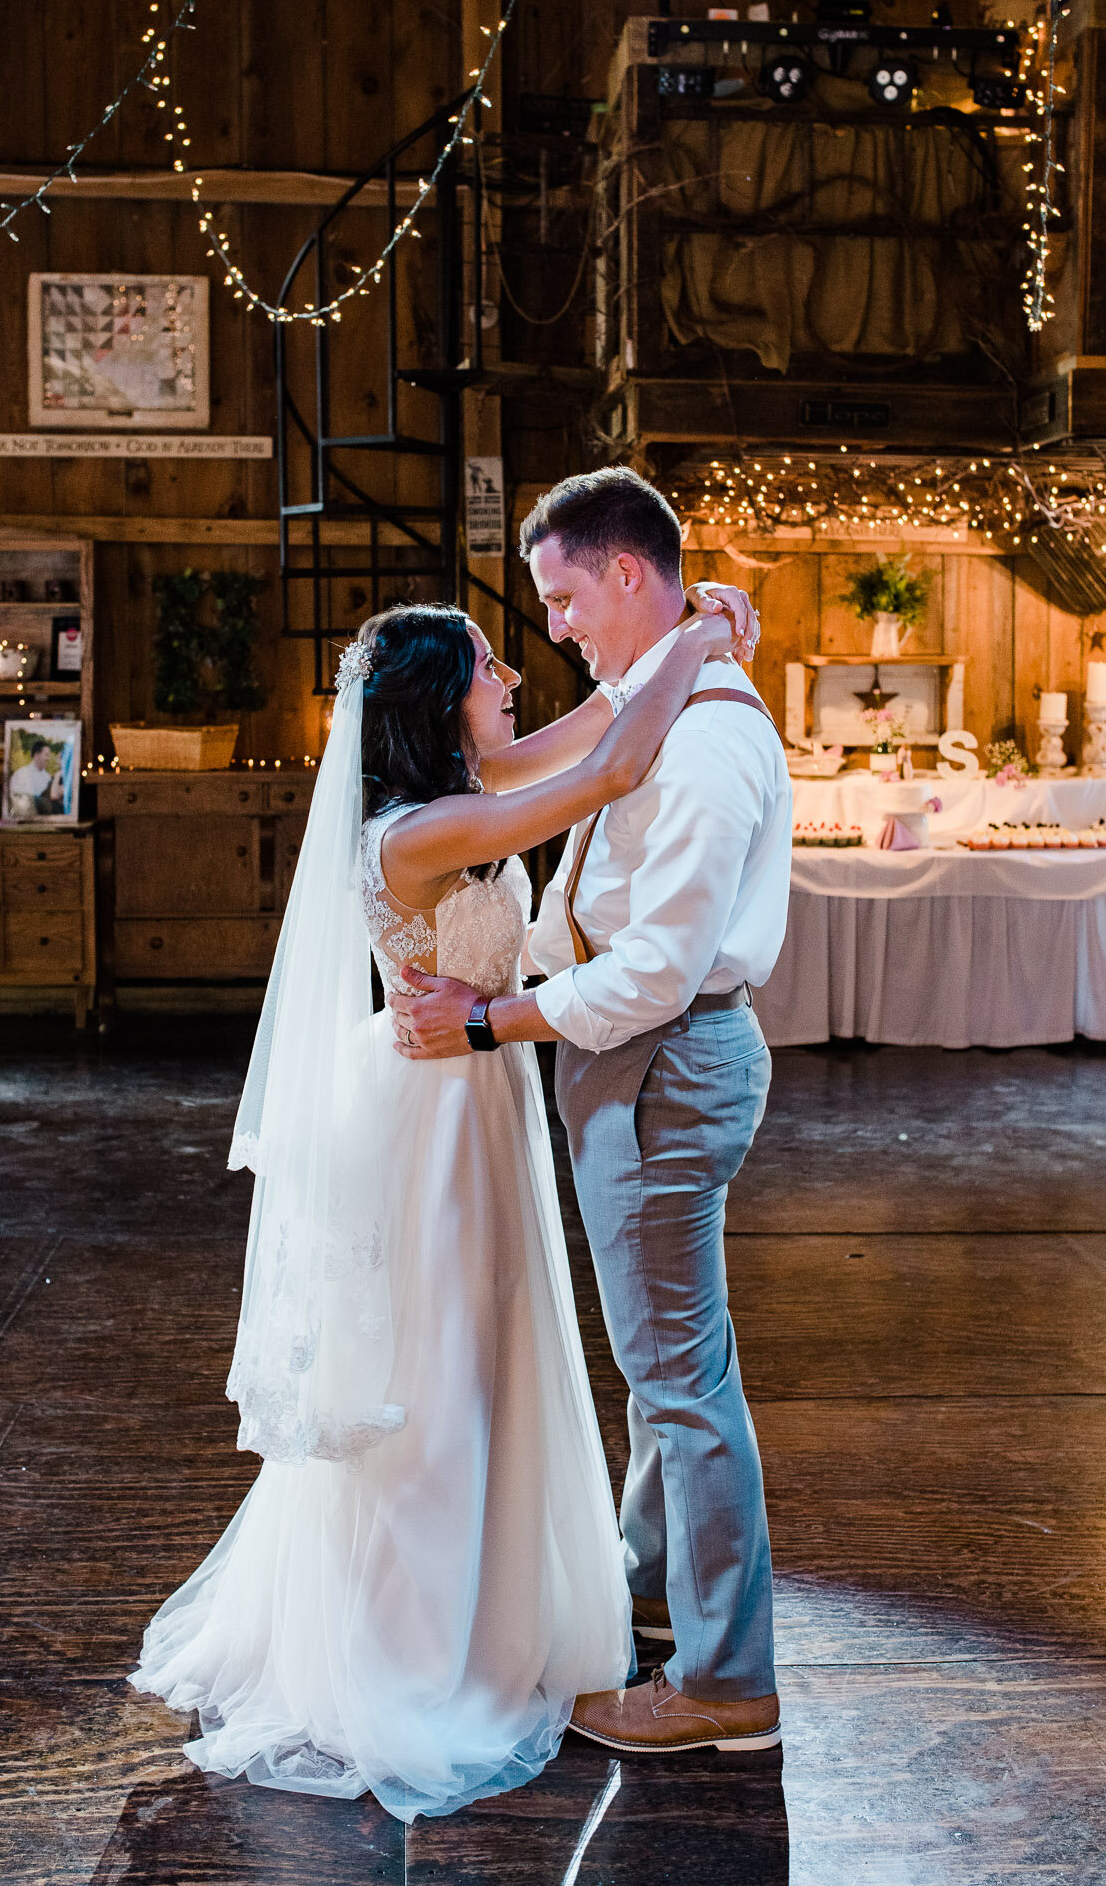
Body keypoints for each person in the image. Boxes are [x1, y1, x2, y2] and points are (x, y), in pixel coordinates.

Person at [129, 577, 758, 1820]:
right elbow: (605, 772)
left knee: (493, 1347)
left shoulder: (457, 796)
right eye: (488, 662)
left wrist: (674, 654)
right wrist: (696, 638)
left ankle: (500, 1601)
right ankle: (421, 1647)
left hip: (476, 1093)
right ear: (435, 697)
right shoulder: (415, 832)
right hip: (429, 1117)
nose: (513, 676)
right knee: (442, 1367)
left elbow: (589, 729)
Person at [392, 466, 793, 1757]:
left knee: (682, 1380)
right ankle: (646, 1601)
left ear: (624, 575)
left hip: (663, 1059)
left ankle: (728, 1685)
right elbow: (549, 753)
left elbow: (651, 974)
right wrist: (701, 631)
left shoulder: (709, 741)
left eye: (560, 596)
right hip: (635, 1061)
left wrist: (481, 1021)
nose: (549, 628)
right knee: (661, 1367)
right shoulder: (651, 698)